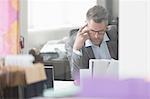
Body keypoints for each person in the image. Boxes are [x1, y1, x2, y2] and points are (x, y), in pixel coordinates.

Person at [67, 5, 118, 80]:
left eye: (101, 32)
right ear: (86, 26)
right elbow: (76, 77)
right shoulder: (73, 42)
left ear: (106, 27)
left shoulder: (115, 34)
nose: (96, 36)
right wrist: (76, 49)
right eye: (92, 31)